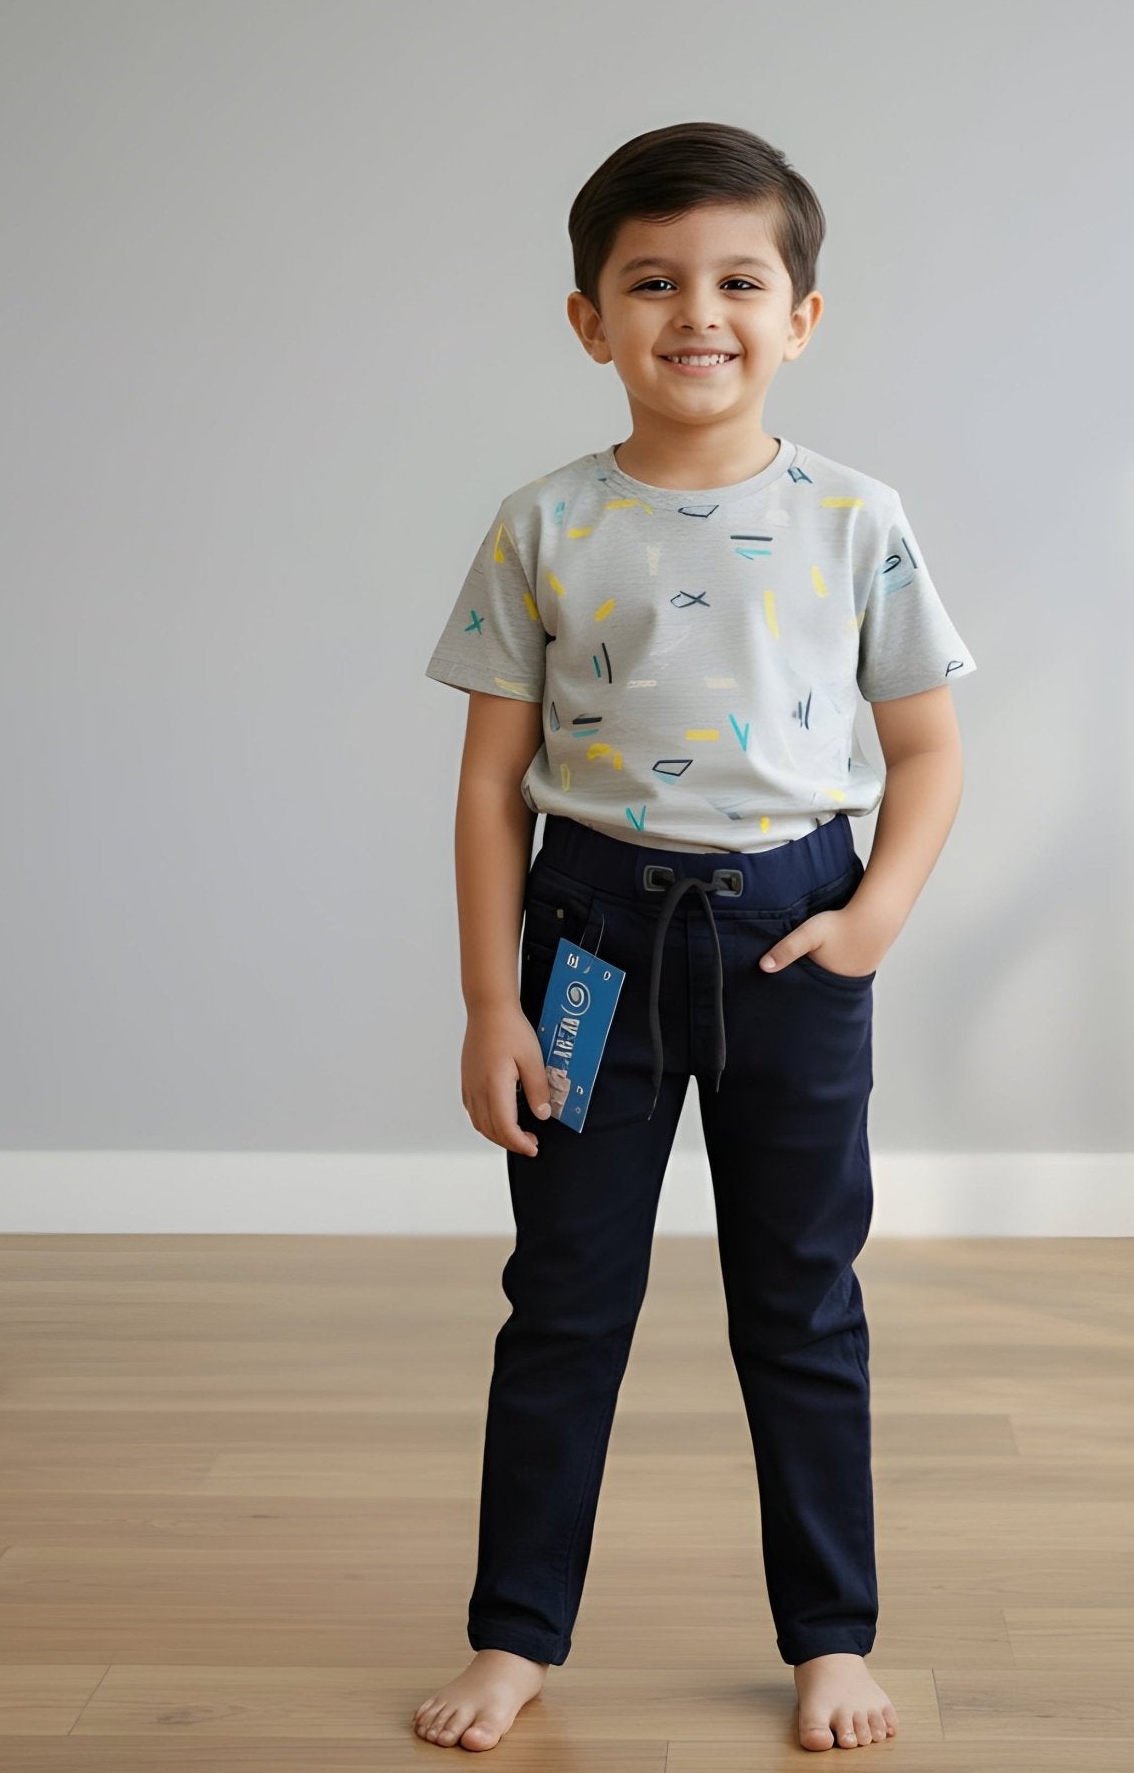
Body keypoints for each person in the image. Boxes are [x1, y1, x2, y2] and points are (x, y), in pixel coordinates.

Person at [414, 121, 977, 1753]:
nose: (697, 314)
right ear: (589, 320)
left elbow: (928, 749)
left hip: (792, 936)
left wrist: (870, 920)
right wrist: (491, 1005)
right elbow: (490, 786)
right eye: (652, 283)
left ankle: (829, 1638)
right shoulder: (541, 523)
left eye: (738, 281)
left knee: (798, 1299)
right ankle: (515, 1634)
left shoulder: (854, 516)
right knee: (563, 1298)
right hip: (588, 945)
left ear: (802, 316)